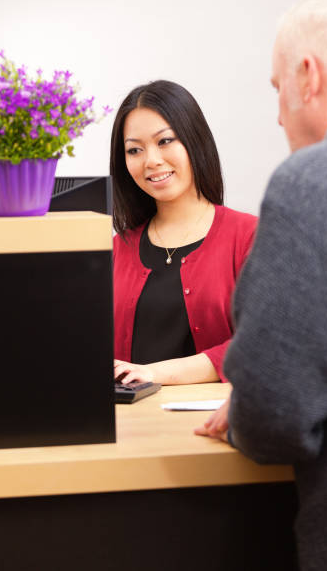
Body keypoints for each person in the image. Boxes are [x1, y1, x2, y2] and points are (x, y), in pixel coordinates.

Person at [196, 0, 327, 570]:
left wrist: (244, 413)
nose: (279, 115)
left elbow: (274, 418)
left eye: (276, 88)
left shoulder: (315, 183)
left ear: (308, 76)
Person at [110, 80, 257, 385]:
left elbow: (262, 343)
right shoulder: (115, 250)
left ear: (194, 140)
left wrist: (154, 373)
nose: (151, 161)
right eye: (134, 149)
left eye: (165, 141)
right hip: (134, 428)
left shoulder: (250, 237)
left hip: (216, 424)